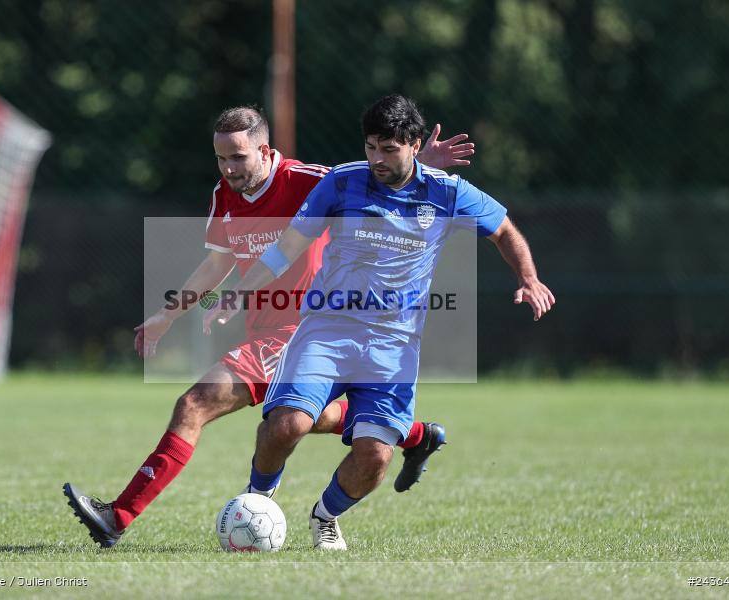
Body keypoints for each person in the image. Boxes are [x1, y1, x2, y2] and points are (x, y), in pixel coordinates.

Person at [62, 105, 476, 547]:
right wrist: (168, 313)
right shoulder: (226, 194)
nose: (228, 168)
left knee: (195, 404)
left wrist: (422, 165)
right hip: (264, 333)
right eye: (221, 158)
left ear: (264, 149)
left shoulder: (309, 179)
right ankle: (415, 434)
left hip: (307, 330)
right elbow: (218, 262)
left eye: (238, 157)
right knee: (305, 419)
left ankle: (118, 516)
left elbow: (377, 182)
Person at [204, 94, 555, 550]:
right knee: (287, 423)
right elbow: (288, 246)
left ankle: (325, 516)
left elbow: (503, 229)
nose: (377, 159)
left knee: (374, 457)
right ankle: (258, 499)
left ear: (412, 145)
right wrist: (239, 290)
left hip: (394, 343)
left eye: (388, 149)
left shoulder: (446, 192)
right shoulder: (343, 183)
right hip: (326, 330)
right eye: (371, 147)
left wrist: (528, 278)